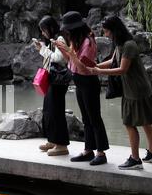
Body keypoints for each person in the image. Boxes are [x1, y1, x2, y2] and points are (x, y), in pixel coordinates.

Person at [88, 16, 152, 170]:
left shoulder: (128, 45)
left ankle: (135, 159)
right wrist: (95, 67)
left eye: (107, 32)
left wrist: (98, 71)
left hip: (135, 90)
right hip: (138, 88)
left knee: (129, 123)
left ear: (115, 30)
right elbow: (113, 62)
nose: (106, 35)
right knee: (145, 121)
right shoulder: (121, 45)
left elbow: (122, 69)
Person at [55, 11, 110, 166]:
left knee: (94, 118)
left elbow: (84, 67)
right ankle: (88, 150)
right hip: (78, 80)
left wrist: (69, 52)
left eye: (68, 30)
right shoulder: (77, 40)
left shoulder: (88, 41)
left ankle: (101, 152)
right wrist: (63, 50)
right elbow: (70, 63)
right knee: (86, 119)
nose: (67, 33)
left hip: (88, 81)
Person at [34, 16, 70, 156]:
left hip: (58, 81)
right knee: (48, 110)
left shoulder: (59, 38)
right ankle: (52, 140)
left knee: (56, 112)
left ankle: (61, 145)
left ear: (50, 28)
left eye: (44, 30)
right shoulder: (53, 39)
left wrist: (42, 49)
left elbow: (58, 58)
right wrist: (42, 48)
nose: (43, 33)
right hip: (52, 80)